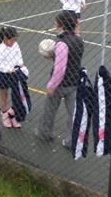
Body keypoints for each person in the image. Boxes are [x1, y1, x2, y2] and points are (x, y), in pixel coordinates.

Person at [35, 10, 84, 147]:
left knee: (49, 109)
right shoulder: (79, 40)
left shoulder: (61, 44)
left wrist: (51, 86)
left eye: (56, 21)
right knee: (73, 113)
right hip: (74, 82)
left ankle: (44, 133)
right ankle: (71, 140)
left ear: (60, 25)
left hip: (60, 84)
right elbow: (75, 40)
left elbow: (60, 69)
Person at [0, 26, 25, 128]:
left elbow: (19, 56)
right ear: (5, 39)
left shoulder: (15, 45)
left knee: (17, 95)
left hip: (15, 73)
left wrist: (20, 63)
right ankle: (4, 115)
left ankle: (13, 115)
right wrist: (8, 69)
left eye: (15, 40)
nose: (14, 42)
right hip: (3, 74)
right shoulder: (0, 48)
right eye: (12, 40)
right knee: (4, 95)